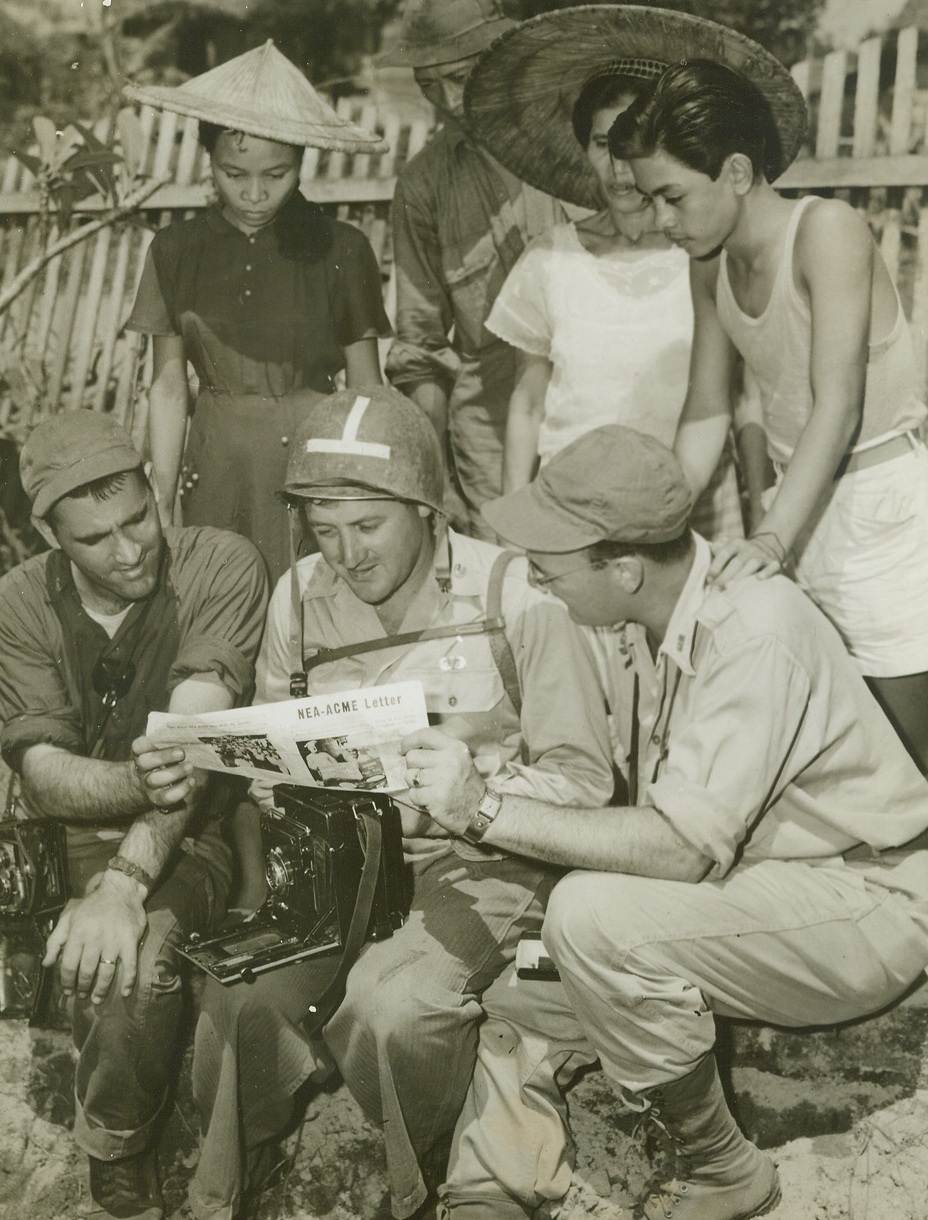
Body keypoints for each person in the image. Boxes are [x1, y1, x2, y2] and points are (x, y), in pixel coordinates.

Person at [403, 423, 928, 1220]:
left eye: (553, 570)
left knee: (589, 917)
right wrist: (486, 785)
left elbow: (680, 852)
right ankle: (492, 1188)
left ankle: (722, 1169)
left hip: (864, 901)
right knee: (526, 974)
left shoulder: (753, 631)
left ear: (623, 567)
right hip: (761, 891)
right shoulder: (651, 618)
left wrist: (484, 811)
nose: (540, 585)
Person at [188, 385, 616, 1220]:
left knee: (392, 1012)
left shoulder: (513, 596)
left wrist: (473, 793)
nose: (344, 554)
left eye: (368, 525)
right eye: (323, 527)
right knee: (238, 1002)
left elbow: (585, 782)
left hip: (482, 863)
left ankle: (414, 1178)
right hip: (339, 862)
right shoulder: (298, 597)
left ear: (426, 509)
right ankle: (236, 1188)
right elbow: (277, 758)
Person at [609, 43, 928, 772]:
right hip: (801, 508)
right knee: (837, 749)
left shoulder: (827, 232)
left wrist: (772, 540)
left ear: (738, 172)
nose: (661, 219)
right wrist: (653, 522)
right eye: (650, 197)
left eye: (672, 195)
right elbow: (705, 412)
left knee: (910, 750)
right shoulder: (708, 265)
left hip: (883, 512)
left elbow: (837, 405)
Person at [0, 410, 268, 1220]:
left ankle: (116, 1141)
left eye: (138, 519)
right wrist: (126, 800)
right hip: (67, 835)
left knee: (136, 968)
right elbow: (44, 777)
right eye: (94, 540)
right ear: (48, 535)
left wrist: (124, 881)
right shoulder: (18, 602)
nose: (128, 552)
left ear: (156, 490)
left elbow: (192, 741)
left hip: (196, 833)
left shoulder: (221, 562)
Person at [462, 13, 742, 538]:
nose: (619, 169)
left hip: (690, 499)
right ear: (583, 148)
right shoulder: (550, 259)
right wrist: (513, 517)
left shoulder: (705, 256)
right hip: (576, 505)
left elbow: (734, 395)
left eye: (631, 146)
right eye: (601, 145)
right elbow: (527, 401)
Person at [124, 39, 392, 585]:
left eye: (276, 175)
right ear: (209, 161)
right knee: (216, 597)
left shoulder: (342, 248)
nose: (253, 193)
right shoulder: (174, 250)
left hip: (316, 459)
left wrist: (369, 487)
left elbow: (366, 386)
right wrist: (164, 492)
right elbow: (170, 387)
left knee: (312, 605)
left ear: (301, 163)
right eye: (233, 173)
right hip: (214, 460)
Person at [378, 0, 564, 538]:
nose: (448, 100)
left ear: (497, 58)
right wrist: (438, 478)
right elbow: (421, 347)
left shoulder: (572, 141)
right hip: (492, 414)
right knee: (508, 570)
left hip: (595, 383)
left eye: (459, 77)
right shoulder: (423, 183)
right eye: (428, 85)